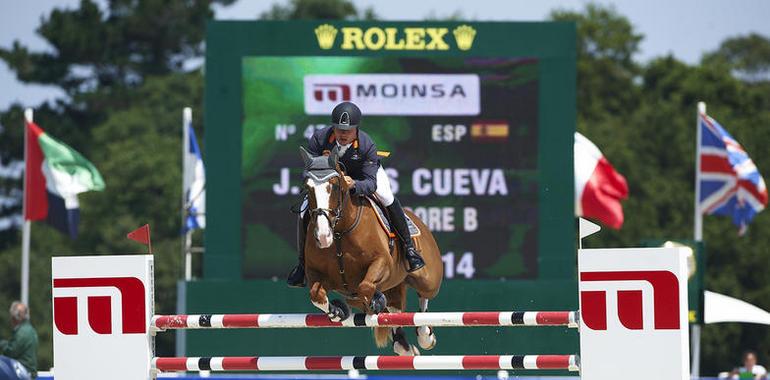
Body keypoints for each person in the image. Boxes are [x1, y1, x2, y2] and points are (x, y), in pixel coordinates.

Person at [287, 101, 425, 287]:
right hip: (330, 181)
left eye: (348, 130)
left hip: (362, 177)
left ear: (356, 129)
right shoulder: (319, 140)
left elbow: (370, 183)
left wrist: (353, 185)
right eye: (339, 129)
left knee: (386, 197)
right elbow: (311, 170)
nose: (343, 134)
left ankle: (409, 249)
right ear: (333, 127)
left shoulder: (366, 145)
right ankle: (302, 264)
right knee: (305, 209)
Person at [0, 302, 38, 379]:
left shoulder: (22, 332)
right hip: (29, 371)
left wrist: (2, 344)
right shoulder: (30, 330)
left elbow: (11, 352)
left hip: (23, 371)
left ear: (15, 317)